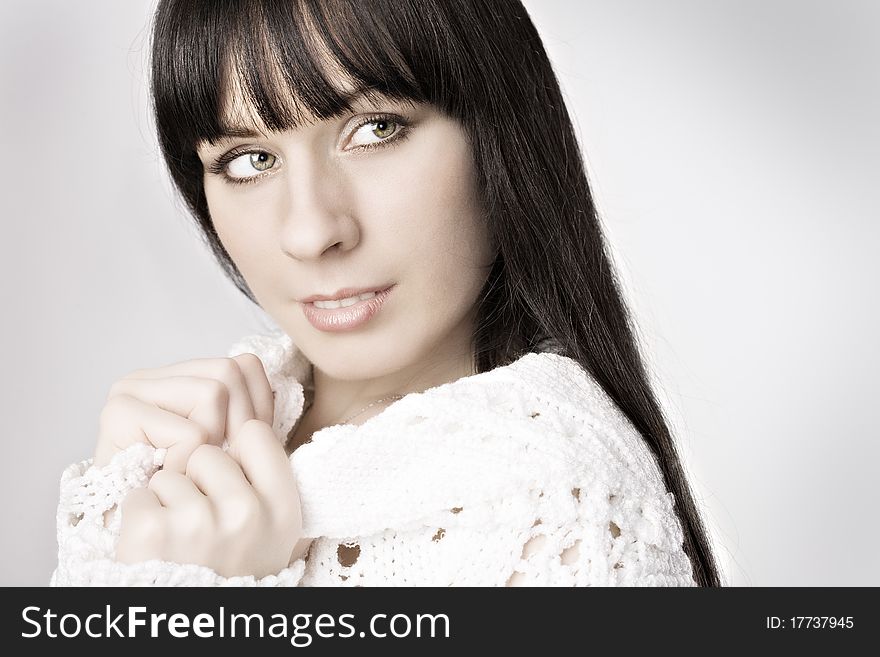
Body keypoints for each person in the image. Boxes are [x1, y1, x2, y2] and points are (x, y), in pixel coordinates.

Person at [51, 0, 723, 587]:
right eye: (250, 159)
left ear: (498, 140)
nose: (312, 231)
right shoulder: (181, 449)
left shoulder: (562, 519)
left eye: (374, 129)